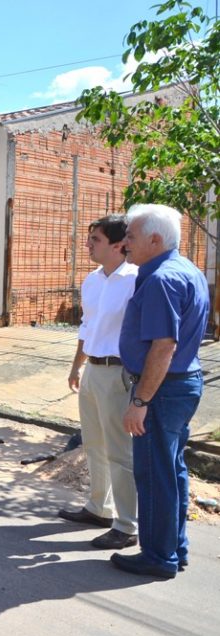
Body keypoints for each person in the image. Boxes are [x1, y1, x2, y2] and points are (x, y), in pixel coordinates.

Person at [111, 204, 209, 579]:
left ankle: (158, 556)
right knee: (172, 471)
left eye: (131, 237)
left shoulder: (160, 280)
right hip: (180, 385)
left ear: (154, 239)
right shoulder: (187, 270)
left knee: (154, 475)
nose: (125, 244)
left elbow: (163, 346)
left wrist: (140, 401)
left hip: (162, 390)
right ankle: (173, 548)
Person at [58, 215, 139, 550]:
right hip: (93, 368)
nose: (88, 244)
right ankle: (99, 507)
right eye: (89, 237)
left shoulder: (136, 279)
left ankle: (126, 524)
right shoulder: (91, 280)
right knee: (93, 443)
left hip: (118, 373)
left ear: (119, 245)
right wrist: (77, 366)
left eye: (96, 239)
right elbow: (85, 326)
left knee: (120, 452)